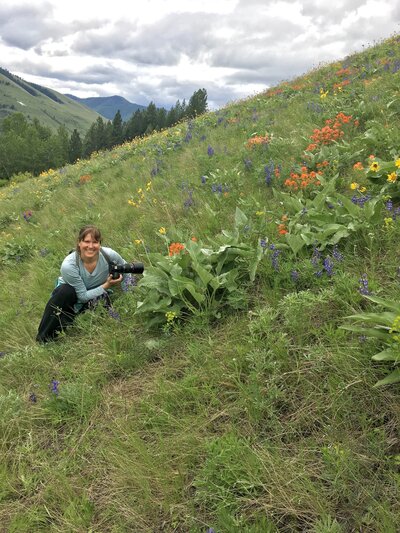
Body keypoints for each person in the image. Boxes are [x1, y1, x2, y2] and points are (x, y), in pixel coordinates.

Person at [36, 225, 128, 343]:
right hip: (72, 296)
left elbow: (126, 270)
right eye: (86, 241)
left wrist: (129, 292)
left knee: (105, 308)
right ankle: (43, 339)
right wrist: (107, 285)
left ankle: (82, 330)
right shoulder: (69, 265)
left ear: (100, 243)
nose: (90, 246)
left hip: (96, 295)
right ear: (79, 242)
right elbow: (82, 296)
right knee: (65, 291)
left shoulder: (109, 255)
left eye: (95, 242)